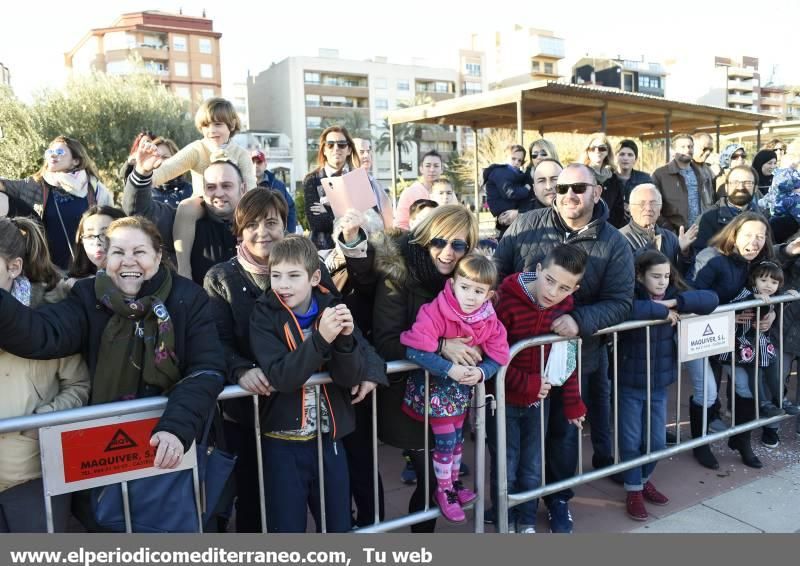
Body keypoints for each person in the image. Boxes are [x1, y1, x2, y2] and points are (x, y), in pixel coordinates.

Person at [0, 215, 226, 530]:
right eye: (118, 252)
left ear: (158, 257)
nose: (128, 261)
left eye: (139, 252)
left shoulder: (188, 299)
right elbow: (41, 334)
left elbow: (207, 369)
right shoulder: (86, 297)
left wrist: (176, 427)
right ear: (105, 258)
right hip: (106, 462)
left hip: (172, 453)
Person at [204, 189, 385, 531]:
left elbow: (343, 320)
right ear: (239, 229)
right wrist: (240, 368)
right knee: (260, 512)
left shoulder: (309, 264)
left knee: (335, 511)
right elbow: (215, 342)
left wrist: (371, 368)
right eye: (252, 224)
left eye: (271, 222)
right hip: (255, 413)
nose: (262, 232)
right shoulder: (221, 277)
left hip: (319, 415)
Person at [494, 163, 634, 533]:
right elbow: (497, 271)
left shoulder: (615, 242)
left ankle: (558, 499)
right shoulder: (527, 223)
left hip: (574, 361)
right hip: (517, 364)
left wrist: (580, 321)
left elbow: (621, 301)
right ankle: (506, 502)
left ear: (597, 192)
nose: (570, 194)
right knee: (511, 441)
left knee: (562, 435)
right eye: (562, 188)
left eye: (579, 188)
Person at [248, 235, 383, 532]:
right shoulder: (263, 314)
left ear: (314, 277)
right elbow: (283, 377)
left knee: (337, 525)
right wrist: (322, 339)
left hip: (328, 439)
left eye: (293, 276)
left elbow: (348, 380)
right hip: (282, 442)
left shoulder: (333, 307)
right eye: (276, 276)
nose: (283, 285)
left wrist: (345, 342)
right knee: (287, 529)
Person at [372, 204, 480, 532]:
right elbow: (386, 341)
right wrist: (441, 347)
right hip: (408, 398)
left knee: (438, 480)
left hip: (448, 398)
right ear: (424, 239)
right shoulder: (398, 274)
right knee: (431, 479)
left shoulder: (468, 280)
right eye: (439, 242)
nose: (447, 252)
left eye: (458, 245)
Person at [399, 253, 510, 524]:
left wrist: (483, 372)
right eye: (465, 287)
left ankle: (453, 484)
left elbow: (500, 354)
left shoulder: (488, 318)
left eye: (478, 291)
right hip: (433, 393)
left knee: (458, 441)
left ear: (488, 294)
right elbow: (414, 348)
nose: (471, 296)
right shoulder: (436, 310)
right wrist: (450, 368)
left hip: (460, 395)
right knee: (447, 442)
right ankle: (444, 489)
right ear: (453, 283)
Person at [490, 244, 588, 534]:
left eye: (564, 288)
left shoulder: (564, 307)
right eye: (549, 281)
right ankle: (503, 518)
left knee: (533, 464)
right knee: (506, 464)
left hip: (538, 403)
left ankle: (527, 520)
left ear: (575, 289)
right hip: (505, 400)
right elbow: (494, 356)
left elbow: (565, 359)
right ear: (537, 270)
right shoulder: (505, 302)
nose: (553, 292)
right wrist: (527, 383)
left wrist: (572, 403)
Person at [0, 217, 90, 532]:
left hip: (31, 474)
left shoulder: (50, 314)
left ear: (13, 267)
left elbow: (78, 384)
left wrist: (41, 421)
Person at [620, 251, 718, 521]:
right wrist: (660, 311)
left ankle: (642, 479)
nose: (662, 282)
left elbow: (711, 299)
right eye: (655, 277)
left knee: (657, 441)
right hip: (628, 381)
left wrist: (675, 302)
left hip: (659, 383)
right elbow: (622, 308)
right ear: (640, 275)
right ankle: (634, 490)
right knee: (630, 440)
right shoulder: (631, 293)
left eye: (666, 276)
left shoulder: (673, 294)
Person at [689, 212, 785, 469]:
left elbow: (773, 286)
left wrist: (772, 311)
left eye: (760, 236)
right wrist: (729, 314)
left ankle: (741, 441)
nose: (754, 242)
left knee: (744, 387)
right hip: (700, 335)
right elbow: (693, 297)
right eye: (748, 235)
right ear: (734, 234)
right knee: (707, 392)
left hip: (734, 340)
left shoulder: (758, 261)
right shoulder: (710, 258)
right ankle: (700, 445)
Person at [123, 142, 244, 284]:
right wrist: (142, 173)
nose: (218, 193)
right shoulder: (183, 223)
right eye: (211, 187)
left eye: (226, 186)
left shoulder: (260, 224)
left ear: (242, 188)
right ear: (203, 191)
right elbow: (140, 212)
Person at [162, 98, 256, 276]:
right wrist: (144, 174)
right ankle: (183, 268)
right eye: (206, 125)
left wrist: (248, 207)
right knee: (186, 207)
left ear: (232, 124)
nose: (211, 130)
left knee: (253, 209)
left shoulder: (241, 153)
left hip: (235, 203)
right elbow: (169, 168)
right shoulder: (197, 149)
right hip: (203, 201)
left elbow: (250, 185)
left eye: (218, 124)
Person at [0, 136, 114, 270]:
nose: (53, 155)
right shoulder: (34, 185)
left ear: (76, 161)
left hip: (87, 269)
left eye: (60, 152)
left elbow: (112, 230)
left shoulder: (96, 190)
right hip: (46, 271)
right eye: (49, 152)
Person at [304, 126, 361, 252]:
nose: (336, 148)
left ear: (349, 149)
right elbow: (316, 224)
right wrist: (346, 211)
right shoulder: (311, 180)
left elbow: (364, 219)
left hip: (355, 248)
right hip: (323, 252)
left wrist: (329, 209)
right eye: (330, 144)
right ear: (324, 149)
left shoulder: (358, 178)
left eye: (341, 145)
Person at [619, 184, 697, 274]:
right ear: (631, 209)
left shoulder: (670, 237)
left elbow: (681, 275)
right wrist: (649, 248)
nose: (648, 208)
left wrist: (684, 252)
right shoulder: (619, 238)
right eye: (642, 203)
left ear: (660, 210)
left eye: (653, 203)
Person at [652, 134, 716, 235]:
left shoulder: (702, 173)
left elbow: (711, 200)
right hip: (675, 234)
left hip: (701, 232)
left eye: (690, 146)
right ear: (673, 151)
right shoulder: (661, 175)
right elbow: (653, 205)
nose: (687, 150)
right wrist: (668, 229)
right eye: (683, 147)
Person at [693, 165, 762, 252]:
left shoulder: (761, 216)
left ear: (755, 188)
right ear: (726, 187)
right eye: (735, 182)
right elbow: (697, 257)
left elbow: (768, 252)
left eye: (747, 183)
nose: (740, 187)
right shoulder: (708, 218)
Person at [66, 205, 126, 283]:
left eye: (105, 234)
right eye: (89, 236)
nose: (97, 242)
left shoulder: (142, 279)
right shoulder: (73, 286)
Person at [581, 133, 626, 228]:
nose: (597, 151)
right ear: (587, 151)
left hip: (611, 230)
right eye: (592, 148)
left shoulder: (613, 177)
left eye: (602, 148)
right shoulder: (581, 174)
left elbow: (618, 209)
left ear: (607, 151)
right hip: (586, 228)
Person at [483, 144, 531, 235]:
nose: (516, 162)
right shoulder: (500, 172)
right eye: (513, 158)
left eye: (519, 160)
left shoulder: (513, 173)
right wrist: (526, 189)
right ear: (506, 157)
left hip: (509, 211)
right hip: (504, 212)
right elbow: (509, 192)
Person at [394, 150, 444, 230]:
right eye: (428, 166)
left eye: (436, 166)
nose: (432, 169)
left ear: (442, 169)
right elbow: (401, 224)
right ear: (421, 169)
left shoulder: (447, 193)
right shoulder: (409, 193)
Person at [251, 149, 296, 234]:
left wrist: (289, 231)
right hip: (254, 233)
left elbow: (290, 207)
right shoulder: (243, 185)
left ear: (265, 165)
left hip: (275, 232)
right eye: (252, 163)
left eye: (259, 162)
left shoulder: (277, 185)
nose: (255, 166)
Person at [353, 137, 394, 229]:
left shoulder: (375, 183)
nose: (366, 155)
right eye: (361, 152)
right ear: (351, 155)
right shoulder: (346, 184)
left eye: (368, 151)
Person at [149, 138, 193, 207]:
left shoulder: (191, 191)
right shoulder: (145, 193)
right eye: (156, 157)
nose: (160, 161)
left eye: (165, 157)